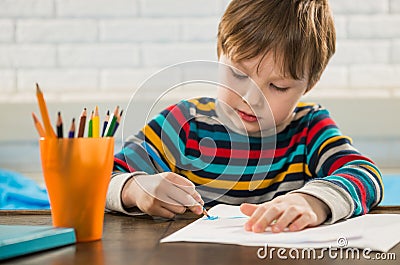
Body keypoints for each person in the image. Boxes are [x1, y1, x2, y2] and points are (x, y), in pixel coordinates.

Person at [106, 0, 383, 233]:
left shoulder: (309, 129)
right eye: (238, 75)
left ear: (309, 84)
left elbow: (365, 175)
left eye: (278, 86)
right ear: (219, 55)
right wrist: (134, 189)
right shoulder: (182, 124)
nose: (252, 99)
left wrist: (312, 201)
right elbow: (101, 178)